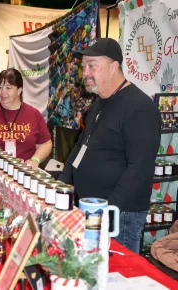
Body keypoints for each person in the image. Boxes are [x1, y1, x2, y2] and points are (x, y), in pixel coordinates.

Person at [58, 38, 161, 253]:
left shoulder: (139, 107)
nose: (85, 72)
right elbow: (80, 148)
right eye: (83, 66)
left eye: (92, 65)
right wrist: (61, 188)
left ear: (114, 66)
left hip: (119, 217)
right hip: (90, 210)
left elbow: (139, 169)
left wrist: (107, 211)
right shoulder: (99, 104)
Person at [0, 68, 52, 168]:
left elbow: (46, 144)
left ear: (19, 90)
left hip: (25, 174)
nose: (2, 92)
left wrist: (35, 160)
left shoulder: (34, 114)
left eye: (8, 88)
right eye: (0, 87)